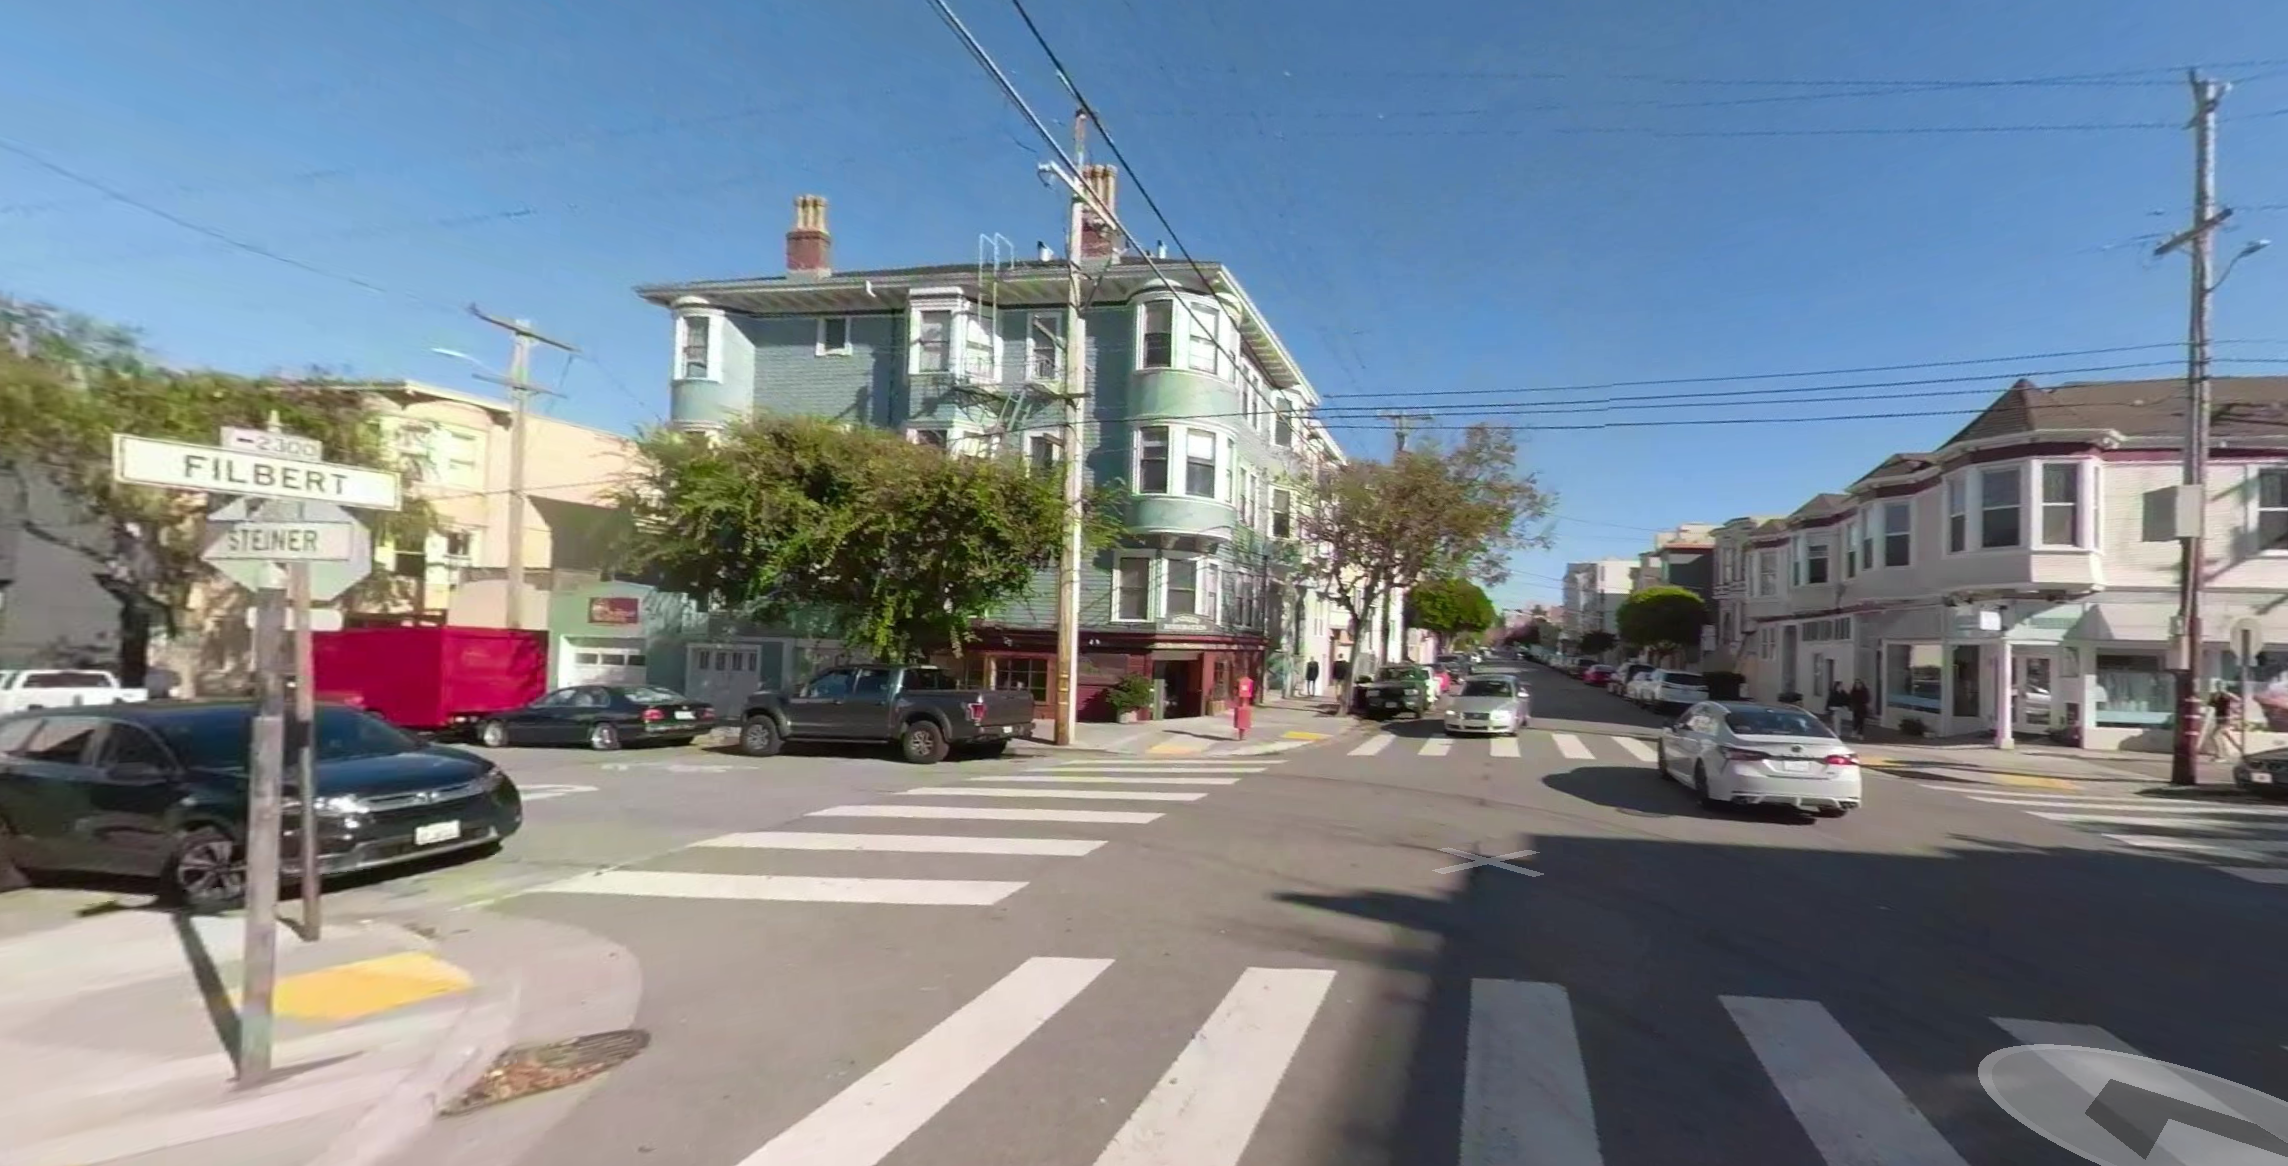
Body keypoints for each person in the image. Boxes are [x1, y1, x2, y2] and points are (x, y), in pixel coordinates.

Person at [2204, 687, 2241, 759]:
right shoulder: (2214, 698)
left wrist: (2228, 694)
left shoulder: (2225, 696)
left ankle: (2220, 755)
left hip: (2225, 719)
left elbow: (2238, 699)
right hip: (2219, 719)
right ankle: (2240, 748)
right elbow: (2209, 705)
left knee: (2214, 736)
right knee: (2227, 735)